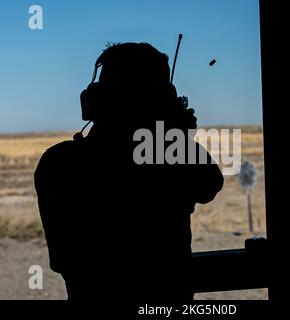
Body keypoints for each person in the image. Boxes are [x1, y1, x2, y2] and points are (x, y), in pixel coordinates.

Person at [34, 42, 224, 301]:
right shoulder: (164, 157)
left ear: (93, 98)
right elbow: (207, 184)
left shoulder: (58, 161)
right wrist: (173, 137)